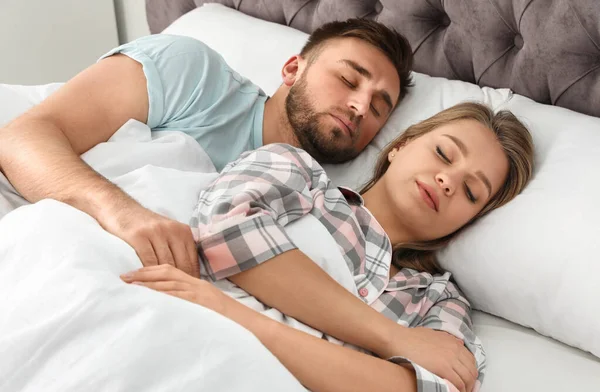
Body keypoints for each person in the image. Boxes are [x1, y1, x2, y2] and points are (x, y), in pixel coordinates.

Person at [120, 102, 536, 392]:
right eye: (444, 153)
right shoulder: (299, 174)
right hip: (174, 338)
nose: (447, 180)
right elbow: (227, 232)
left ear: (468, 223)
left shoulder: (437, 301)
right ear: (401, 145)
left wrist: (234, 313)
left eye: (470, 191)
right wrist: (394, 339)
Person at [0, 19, 412, 277]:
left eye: (378, 107)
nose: (360, 107)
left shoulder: (317, 203)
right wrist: (125, 216)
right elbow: (22, 137)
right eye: (348, 79)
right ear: (291, 69)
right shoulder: (194, 73)